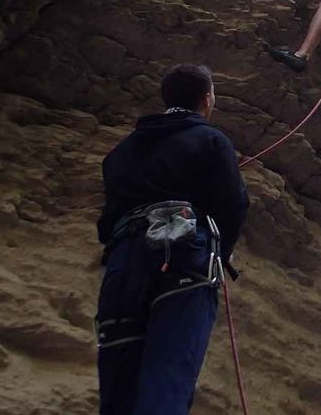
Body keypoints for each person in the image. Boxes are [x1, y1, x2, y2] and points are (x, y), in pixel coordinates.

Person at [95, 64, 249, 415]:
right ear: (206, 99)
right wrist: (218, 256)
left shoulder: (122, 151)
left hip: (124, 264)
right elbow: (233, 204)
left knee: (119, 381)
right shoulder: (211, 140)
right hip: (185, 254)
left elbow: (107, 221)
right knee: (167, 375)